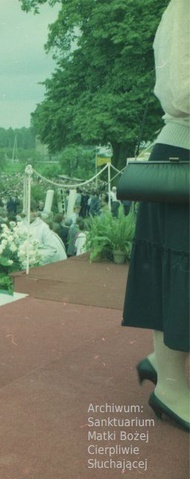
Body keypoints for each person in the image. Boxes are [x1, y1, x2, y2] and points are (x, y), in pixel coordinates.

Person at [122, 0, 189, 433]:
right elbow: (181, 89)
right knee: (179, 272)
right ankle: (169, 384)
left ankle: (164, 362)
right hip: (183, 156)